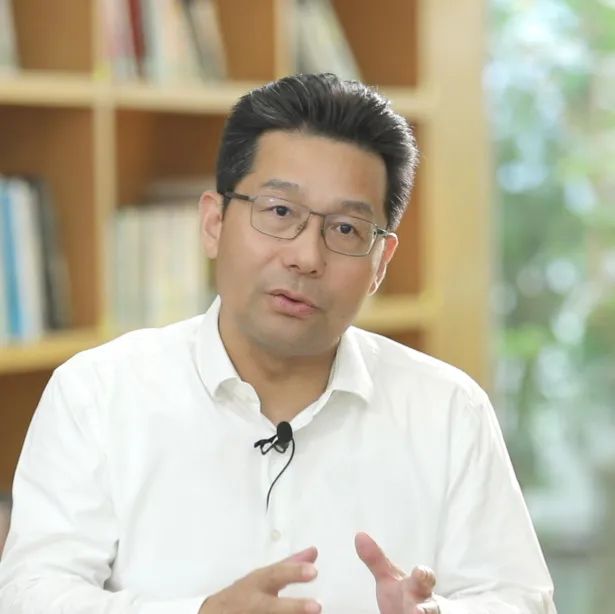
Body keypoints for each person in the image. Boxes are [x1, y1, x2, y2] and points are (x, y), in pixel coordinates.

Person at [0, 73, 556, 614]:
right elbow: (29, 594)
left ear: (381, 262)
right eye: (280, 212)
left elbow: (521, 600)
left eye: (346, 229)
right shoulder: (97, 394)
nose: (306, 257)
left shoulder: (448, 410)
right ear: (214, 222)